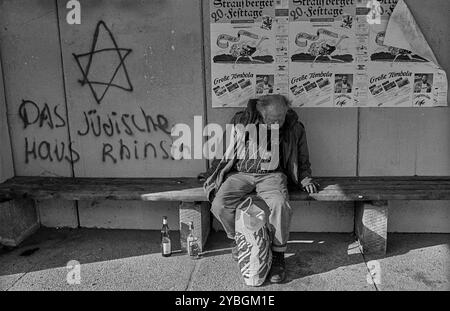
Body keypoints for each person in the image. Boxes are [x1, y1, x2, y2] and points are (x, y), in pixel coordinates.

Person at [203, 94, 318, 284]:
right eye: (273, 119)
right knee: (219, 205)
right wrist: (213, 173)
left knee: (281, 205)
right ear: (261, 111)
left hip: (272, 175)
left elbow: (302, 157)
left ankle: (278, 254)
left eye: (281, 117)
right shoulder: (241, 121)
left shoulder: (294, 127)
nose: (279, 122)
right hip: (241, 174)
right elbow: (225, 150)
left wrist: (305, 178)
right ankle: (240, 240)